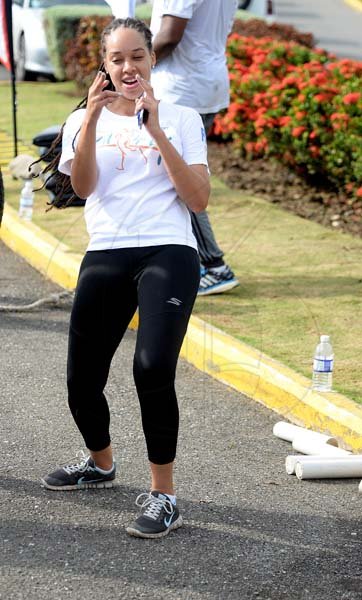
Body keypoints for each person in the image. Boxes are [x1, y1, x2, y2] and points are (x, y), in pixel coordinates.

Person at [40, 17, 210, 540]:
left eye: (137, 56)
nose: (128, 67)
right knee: (80, 380)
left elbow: (197, 199)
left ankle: (164, 495)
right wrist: (90, 118)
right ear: (105, 65)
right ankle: (102, 463)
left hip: (168, 249)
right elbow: (85, 187)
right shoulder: (81, 120)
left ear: (151, 59)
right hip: (108, 250)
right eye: (118, 59)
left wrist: (154, 126)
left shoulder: (181, 117)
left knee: (152, 365)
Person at [150, 0, 240, 296]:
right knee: (174, 177)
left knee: (180, 180)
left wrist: (132, 62)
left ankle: (214, 265)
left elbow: (170, 36)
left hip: (182, 89)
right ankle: (192, 262)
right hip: (205, 82)